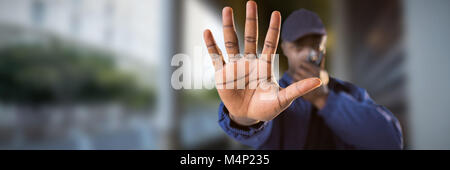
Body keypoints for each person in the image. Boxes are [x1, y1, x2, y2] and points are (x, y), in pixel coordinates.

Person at [203, 1, 403, 149]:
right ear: (286, 49)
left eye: (315, 44)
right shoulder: (270, 94)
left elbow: (389, 141)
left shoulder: (350, 93)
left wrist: (325, 99)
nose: (309, 52)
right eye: (299, 45)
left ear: (324, 49)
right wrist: (244, 117)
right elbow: (258, 134)